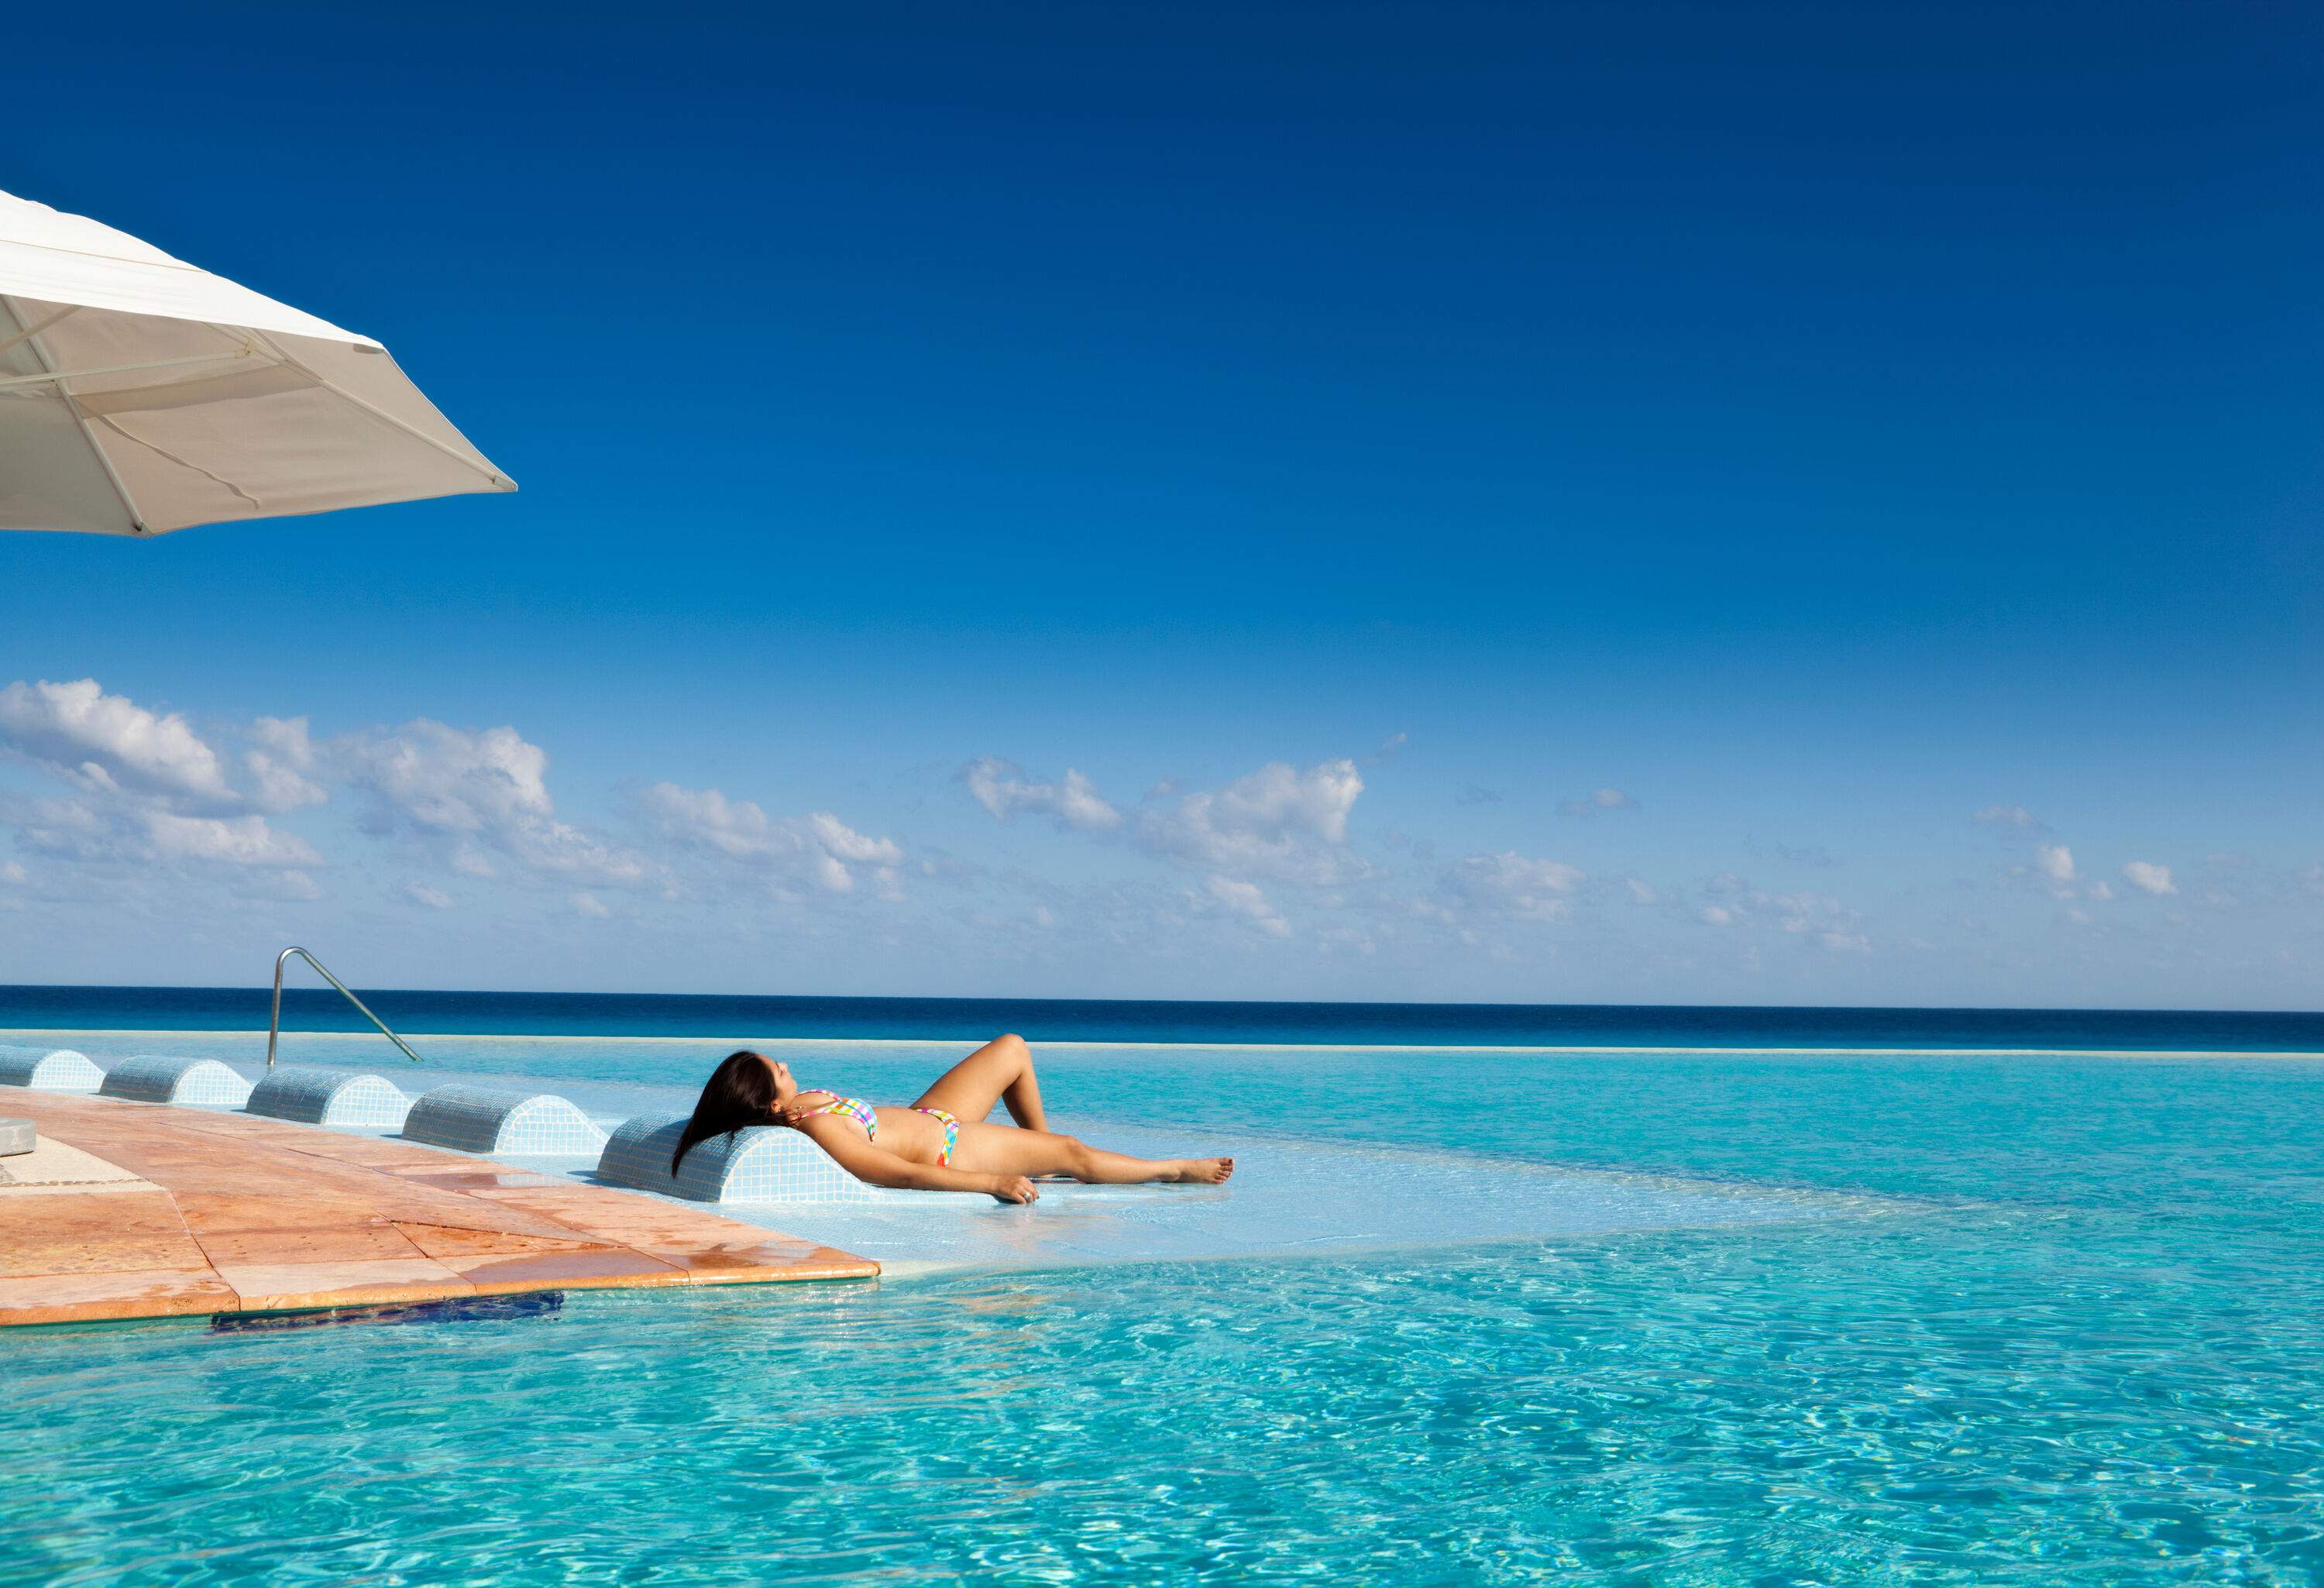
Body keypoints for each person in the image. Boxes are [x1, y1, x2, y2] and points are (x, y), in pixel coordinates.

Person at [671, 1033, 1235, 1204]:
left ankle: (1032, 1148)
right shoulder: (815, 1126)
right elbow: (892, 1172)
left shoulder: (803, 1103)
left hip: (932, 1116)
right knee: (1073, 1153)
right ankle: (1174, 1169)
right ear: (772, 1104)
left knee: (1012, 1048)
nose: (788, 1065)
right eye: (780, 1069)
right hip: (950, 1150)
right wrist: (991, 1181)